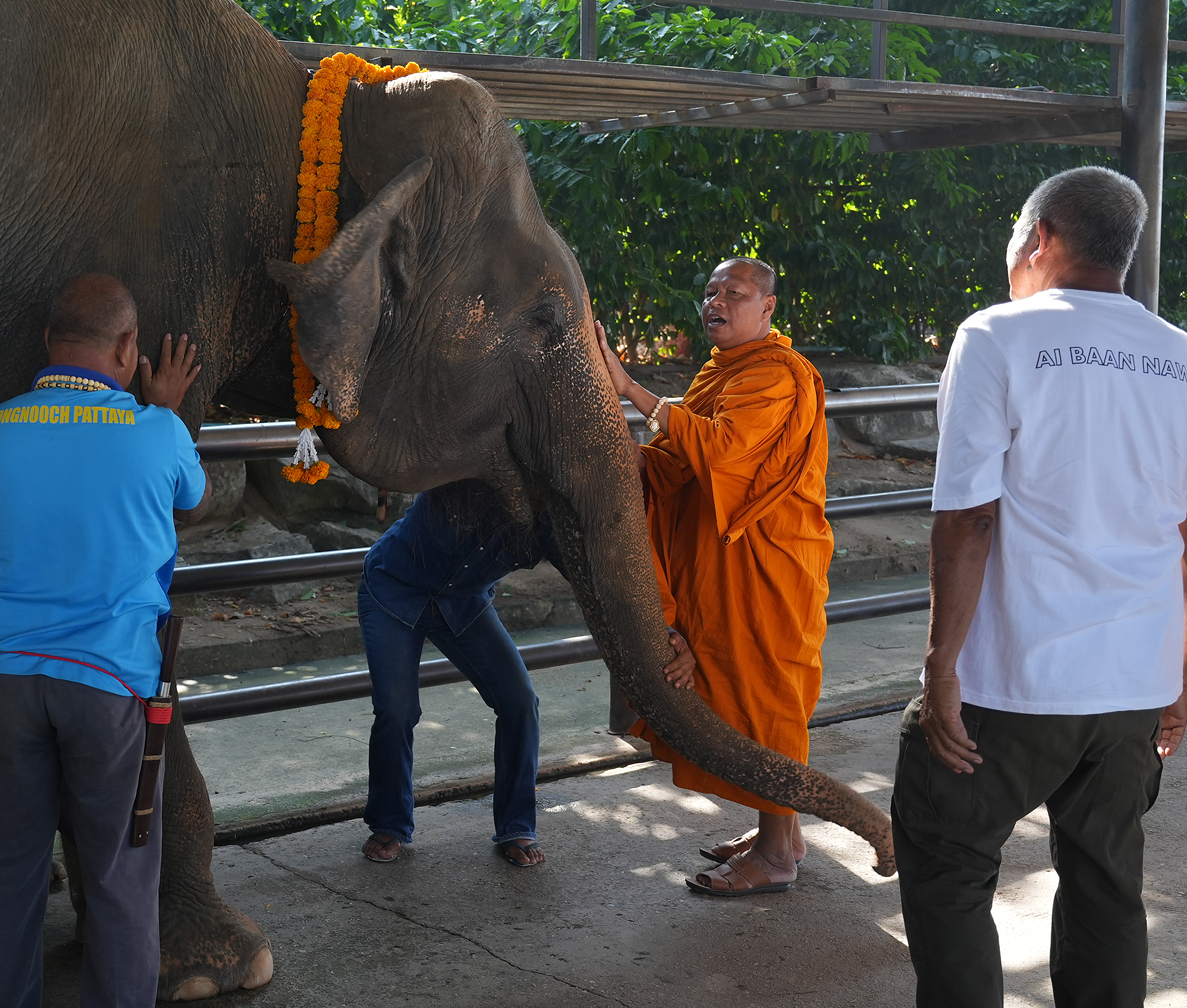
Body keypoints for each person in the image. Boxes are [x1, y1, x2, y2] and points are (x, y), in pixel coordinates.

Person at [886, 167, 1187, 1008]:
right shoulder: (1180, 356)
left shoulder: (996, 336)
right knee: (1106, 878)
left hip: (1011, 681)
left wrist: (940, 666)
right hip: (1131, 685)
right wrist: (1177, 676)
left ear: (1041, 235)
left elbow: (968, 516)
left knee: (945, 866)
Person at [0, 273, 209, 1008]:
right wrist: (164, 408)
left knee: (3, 863)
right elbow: (190, 499)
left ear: (49, 342)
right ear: (127, 348)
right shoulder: (156, 433)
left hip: (4, 680)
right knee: (118, 864)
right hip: (111, 686)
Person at [596, 257, 832, 897]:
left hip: (768, 564)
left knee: (768, 702)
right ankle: (783, 832)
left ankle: (777, 856)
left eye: (735, 292)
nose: (716, 301)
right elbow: (680, 461)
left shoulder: (777, 375)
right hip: (722, 562)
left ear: (768, 308)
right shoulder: (719, 372)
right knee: (740, 695)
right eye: (709, 291)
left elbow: (724, 450)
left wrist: (632, 389)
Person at [356, 483, 587, 866]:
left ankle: (516, 825)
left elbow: (594, 583)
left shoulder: (552, 521)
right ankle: (389, 823)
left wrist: (659, 629)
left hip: (463, 603)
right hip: (393, 590)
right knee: (397, 709)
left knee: (519, 702)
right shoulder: (462, 481)